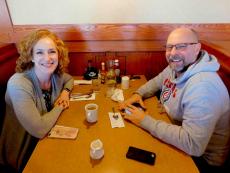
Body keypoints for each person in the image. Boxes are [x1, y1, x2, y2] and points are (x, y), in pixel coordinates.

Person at [119, 28, 230, 173]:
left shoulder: (203, 87)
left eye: (181, 46)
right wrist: (138, 93)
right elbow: (158, 81)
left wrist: (144, 120)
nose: (172, 53)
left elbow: (193, 145)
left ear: (197, 48)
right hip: (174, 131)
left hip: (201, 161)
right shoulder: (179, 65)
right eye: (169, 47)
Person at [0, 29, 74, 172]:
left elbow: (69, 80)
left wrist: (65, 93)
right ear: (31, 56)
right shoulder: (19, 84)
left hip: (47, 140)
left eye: (52, 51)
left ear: (59, 54)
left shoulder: (55, 75)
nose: (47, 58)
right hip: (23, 152)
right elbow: (39, 130)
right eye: (40, 52)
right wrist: (60, 106)